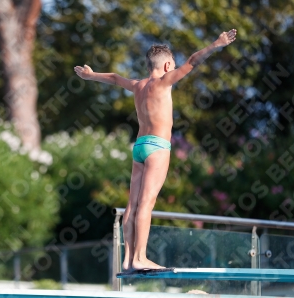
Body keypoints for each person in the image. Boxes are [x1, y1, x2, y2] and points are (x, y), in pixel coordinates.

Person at [74, 29, 237, 271]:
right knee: (147, 204)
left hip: (139, 146)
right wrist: (217, 43)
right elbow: (193, 61)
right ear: (168, 65)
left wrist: (91, 75)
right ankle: (140, 257)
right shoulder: (165, 81)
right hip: (158, 146)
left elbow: (116, 78)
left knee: (132, 205)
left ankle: (129, 259)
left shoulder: (138, 85)